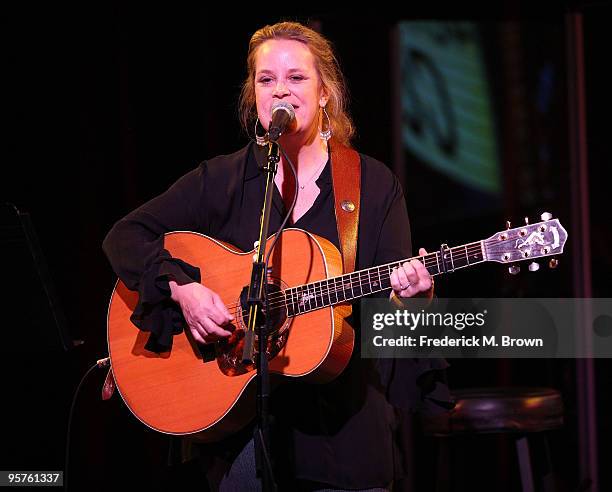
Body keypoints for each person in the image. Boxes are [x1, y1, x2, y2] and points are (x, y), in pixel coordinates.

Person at [103, 21, 451, 491]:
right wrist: (183, 290)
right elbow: (125, 236)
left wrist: (414, 300)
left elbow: (393, 325)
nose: (280, 90)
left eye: (296, 78)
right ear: (254, 95)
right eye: (266, 80)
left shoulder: (371, 185)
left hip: (343, 440)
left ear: (325, 93)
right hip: (242, 444)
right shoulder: (223, 179)